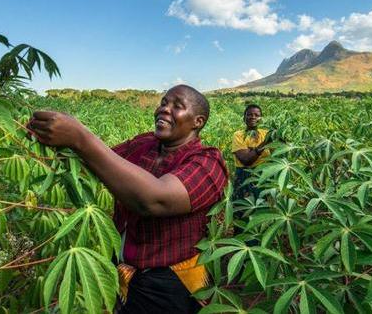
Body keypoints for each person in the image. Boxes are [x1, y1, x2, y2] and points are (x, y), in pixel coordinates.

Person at [27, 85, 228, 314]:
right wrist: (54, 136)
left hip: (172, 282)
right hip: (124, 269)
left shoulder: (208, 163)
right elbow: (100, 161)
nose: (164, 109)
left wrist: (80, 137)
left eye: (177, 106)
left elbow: (154, 200)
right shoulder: (144, 144)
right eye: (163, 103)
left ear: (198, 122)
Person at [231, 104, 271, 200]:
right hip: (245, 176)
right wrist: (265, 143)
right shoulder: (238, 135)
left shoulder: (266, 133)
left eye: (257, 115)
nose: (253, 117)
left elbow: (278, 155)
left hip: (264, 175)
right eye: (249, 114)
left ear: (261, 118)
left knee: (263, 208)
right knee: (243, 209)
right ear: (244, 118)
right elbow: (246, 160)